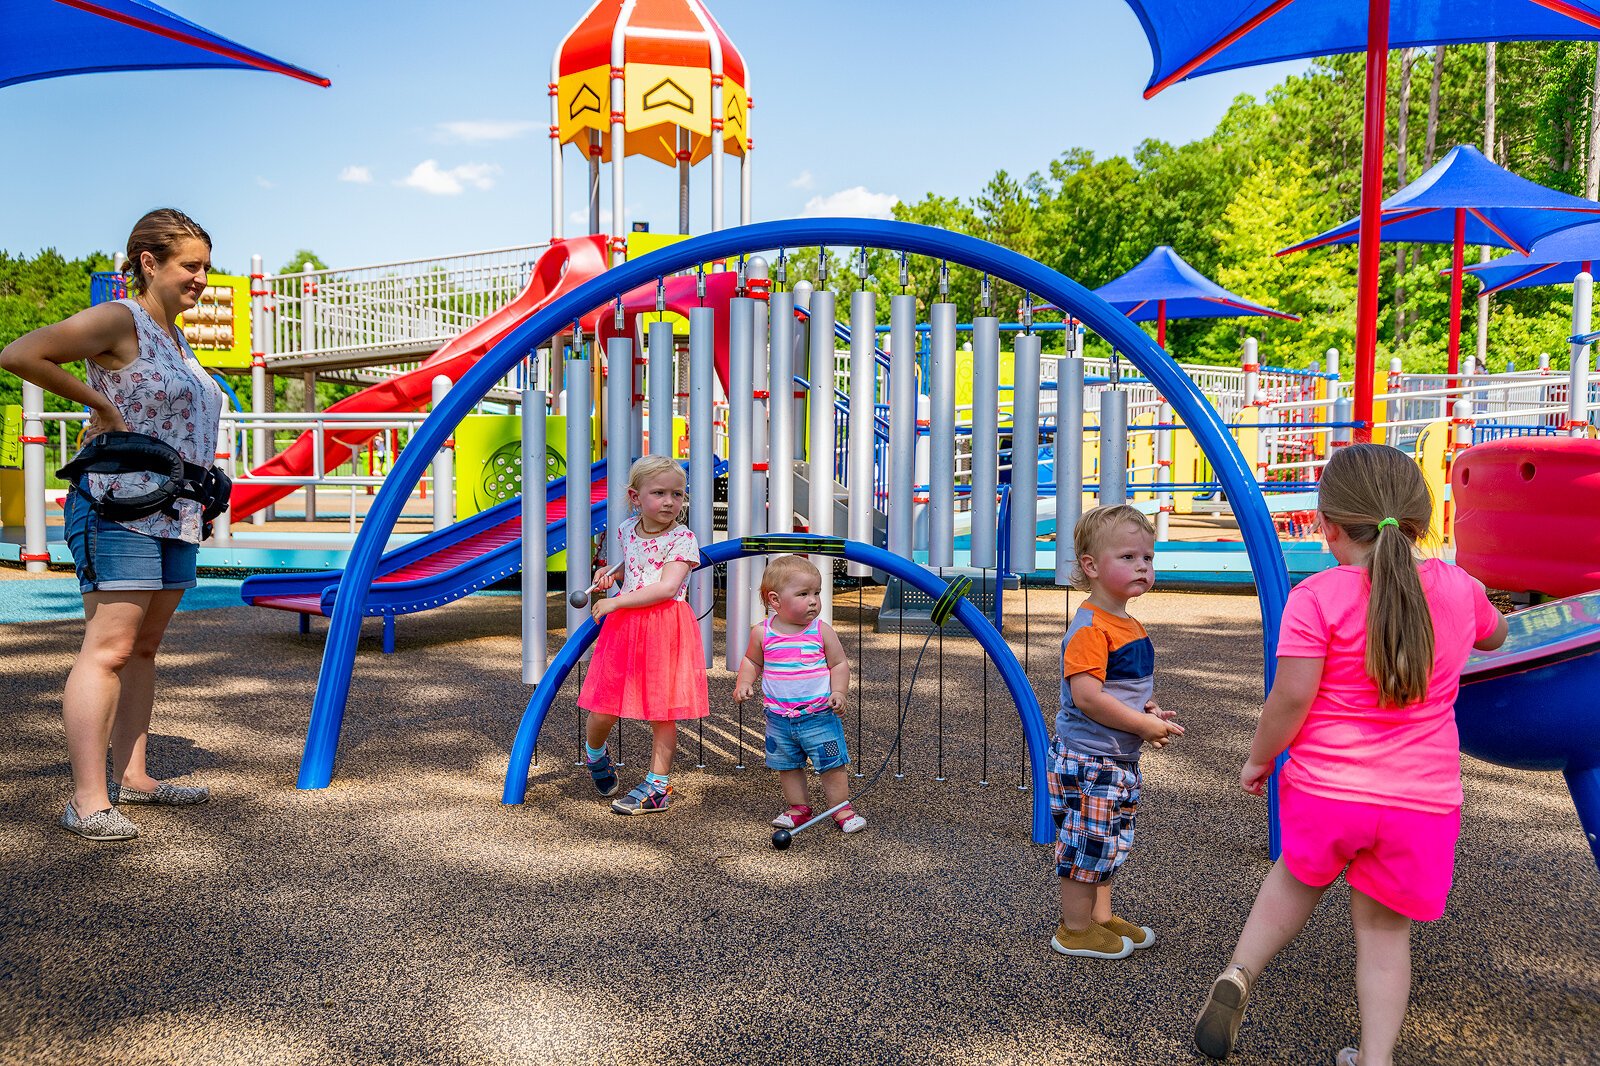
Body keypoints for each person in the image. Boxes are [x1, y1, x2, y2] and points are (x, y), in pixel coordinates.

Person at [1193, 443, 1508, 1066]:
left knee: (1292, 880)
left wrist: (1260, 759)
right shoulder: (1457, 588)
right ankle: (1375, 1059)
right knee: (1385, 935)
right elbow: (1496, 637)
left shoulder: (1316, 597)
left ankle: (1238, 974)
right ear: (1419, 518)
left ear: (1328, 527)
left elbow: (1290, 698)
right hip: (1421, 803)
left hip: (1326, 791)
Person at [0, 208, 224, 842]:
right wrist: (99, 402)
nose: (202, 278)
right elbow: (20, 352)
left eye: (206, 266)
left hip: (176, 512)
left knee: (144, 650)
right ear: (148, 263)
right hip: (117, 508)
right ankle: (87, 799)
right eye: (191, 265)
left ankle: (135, 778)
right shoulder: (120, 319)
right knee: (109, 650)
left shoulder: (176, 339)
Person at [1050, 504, 1183, 959]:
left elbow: (1122, 689)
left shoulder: (1126, 622)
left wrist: (1149, 709)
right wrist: (1143, 725)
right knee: (1086, 842)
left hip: (1113, 756)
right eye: (1128, 557)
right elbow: (1087, 696)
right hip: (1090, 758)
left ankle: (1100, 918)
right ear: (1091, 566)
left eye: (1148, 557)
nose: (1143, 566)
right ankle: (1074, 928)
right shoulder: (1090, 627)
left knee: (1107, 838)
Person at [576, 455, 709, 815]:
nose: (670, 502)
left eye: (677, 495)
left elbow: (666, 588)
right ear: (636, 497)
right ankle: (595, 754)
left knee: (662, 712)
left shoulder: (683, 538)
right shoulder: (625, 529)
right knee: (603, 704)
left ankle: (657, 787)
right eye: (659, 493)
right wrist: (610, 574)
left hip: (664, 626)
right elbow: (634, 571)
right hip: (626, 628)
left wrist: (616, 603)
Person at [732, 555, 866, 835]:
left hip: (818, 715)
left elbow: (839, 664)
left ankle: (841, 808)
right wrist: (744, 682)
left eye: (817, 592)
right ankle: (799, 807)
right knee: (788, 766)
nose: (814, 600)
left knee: (831, 765)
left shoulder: (820, 631)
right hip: (779, 719)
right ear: (775, 600)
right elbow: (752, 661)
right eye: (803, 594)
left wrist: (839, 692)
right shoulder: (762, 633)